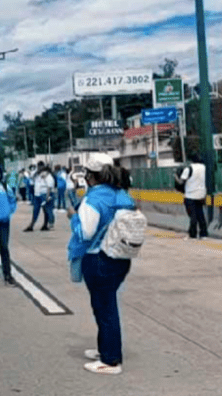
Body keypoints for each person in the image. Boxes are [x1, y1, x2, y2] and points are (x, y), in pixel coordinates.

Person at [66, 155, 135, 375]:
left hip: (98, 258)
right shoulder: (122, 195)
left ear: (90, 176)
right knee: (106, 306)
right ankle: (106, 349)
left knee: (104, 309)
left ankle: (111, 360)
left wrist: (74, 217)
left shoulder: (93, 199)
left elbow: (86, 232)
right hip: (120, 257)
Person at [174, 154, 208, 240]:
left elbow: (181, 181)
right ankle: (203, 234)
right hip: (201, 194)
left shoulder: (188, 168)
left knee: (192, 215)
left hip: (190, 195)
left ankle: (193, 234)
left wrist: (176, 177)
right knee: (200, 214)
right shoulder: (203, 167)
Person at [24, 165, 55, 232]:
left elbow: (49, 187)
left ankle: (45, 225)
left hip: (44, 195)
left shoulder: (48, 176)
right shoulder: (37, 175)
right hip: (37, 195)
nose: (39, 170)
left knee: (46, 210)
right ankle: (31, 225)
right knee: (35, 210)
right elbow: (32, 181)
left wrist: (47, 196)